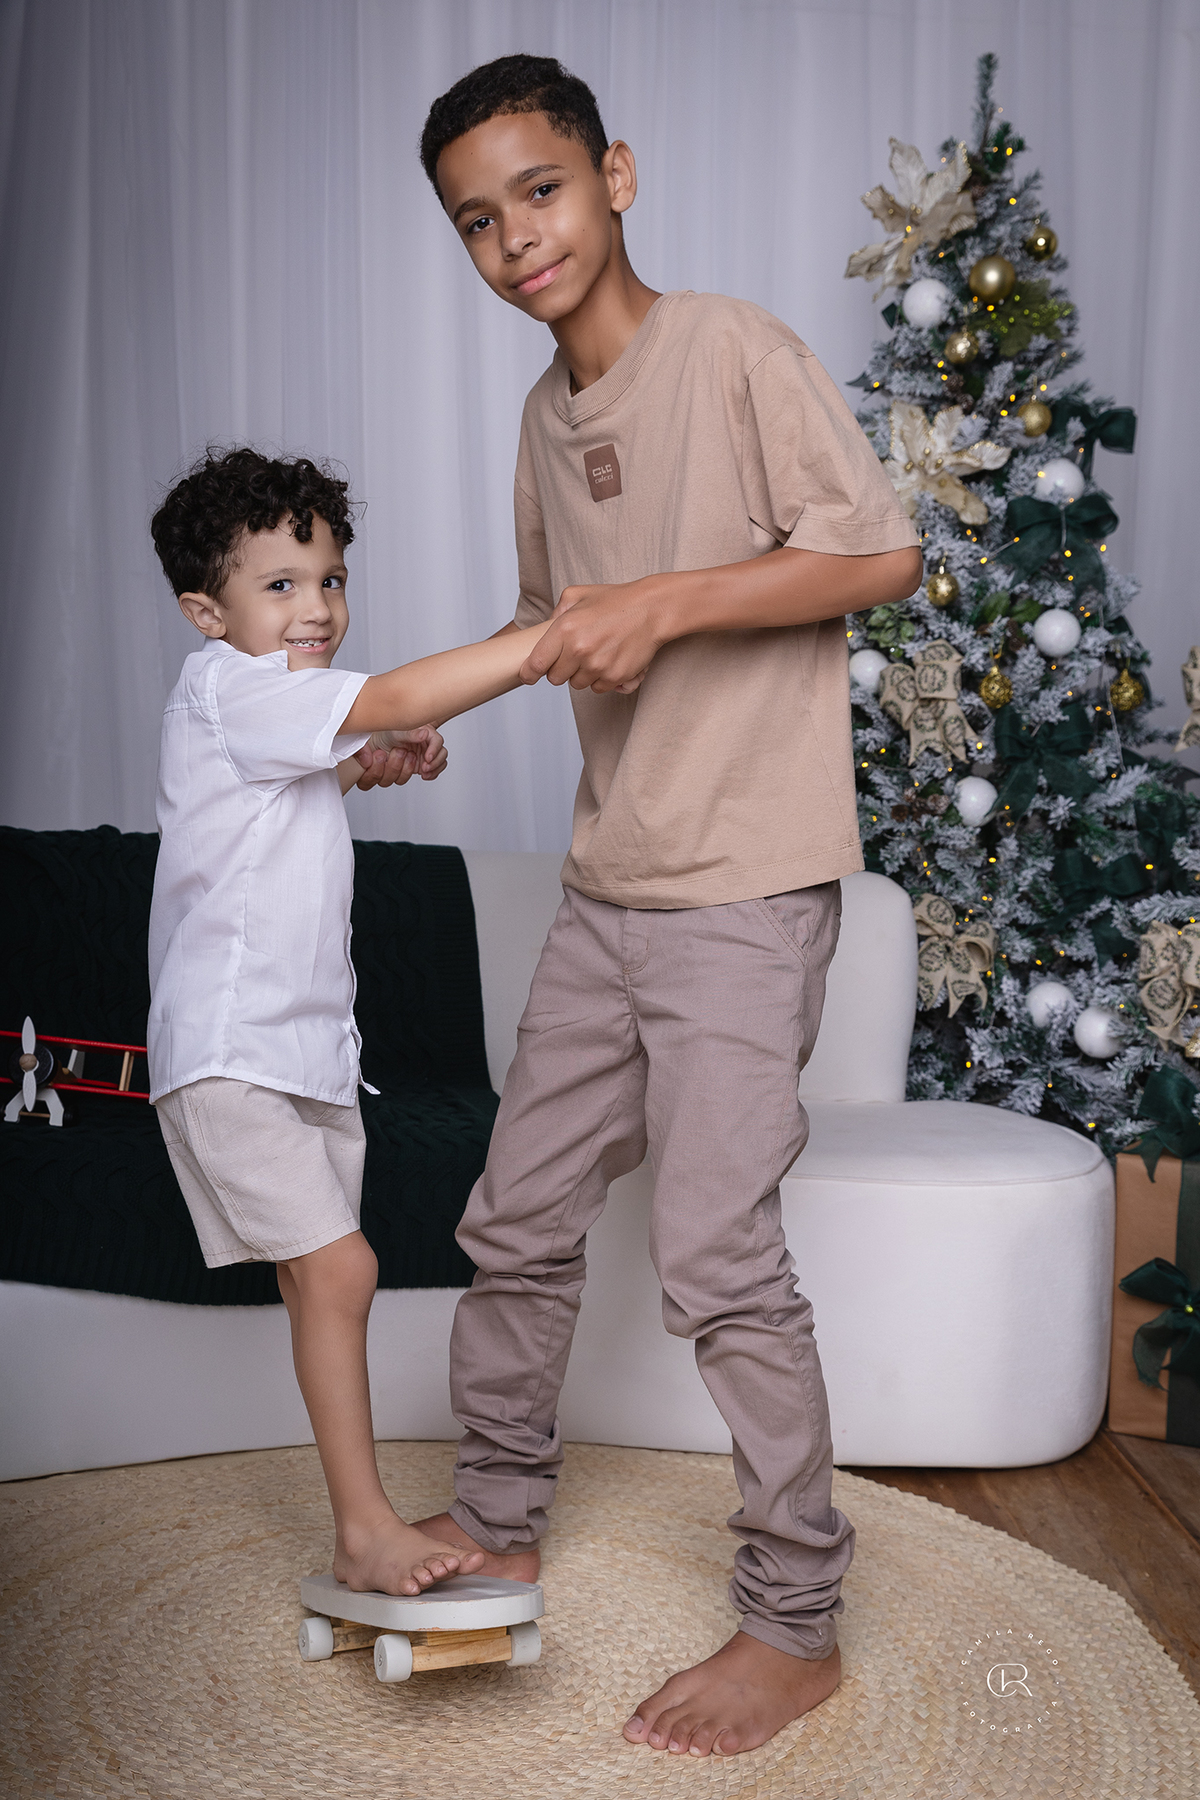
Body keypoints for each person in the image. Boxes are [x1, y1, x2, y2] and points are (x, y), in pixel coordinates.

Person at [397, 54, 923, 1756]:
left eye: (540, 191)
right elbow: (550, 620)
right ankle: (498, 1516)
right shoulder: (540, 421)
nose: (517, 239)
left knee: (713, 1249)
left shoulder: (736, 351)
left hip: (744, 892)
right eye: (478, 221)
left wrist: (674, 602)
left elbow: (880, 554)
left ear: (614, 175)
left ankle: (795, 1619)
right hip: (605, 885)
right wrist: (424, 721)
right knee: (517, 1218)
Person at [146, 446, 573, 1599]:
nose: (318, 608)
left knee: (319, 1283)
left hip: (310, 1057)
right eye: (281, 585)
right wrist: (545, 641)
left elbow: (278, 798)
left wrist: (360, 764)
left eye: (331, 579)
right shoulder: (227, 686)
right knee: (342, 1269)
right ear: (207, 612)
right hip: (232, 1054)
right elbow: (392, 696)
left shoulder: (264, 708)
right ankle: (364, 1527)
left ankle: (358, 1518)